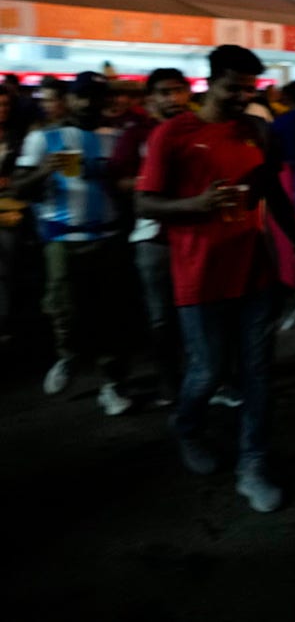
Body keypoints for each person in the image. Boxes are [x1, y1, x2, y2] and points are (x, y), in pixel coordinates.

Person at [136, 45, 295, 513]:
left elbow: (271, 191)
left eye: (248, 89)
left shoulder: (256, 131)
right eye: (232, 87)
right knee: (209, 370)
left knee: (257, 375)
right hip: (198, 276)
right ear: (209, 82)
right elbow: (145, 203)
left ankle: (252, 465)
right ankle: (187, 427)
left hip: (254, 274)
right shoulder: (173, 134)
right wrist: (193, 207)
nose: (240, 96)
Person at [12, 71, 135, 415]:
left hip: (108, 237)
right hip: (63, 239)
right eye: (82, 95)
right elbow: (18, 188)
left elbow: (126, 185)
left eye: (95, 95)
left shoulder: (116, 137)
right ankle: (68, 357)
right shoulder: (46, 138)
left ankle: (112, 383)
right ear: (71, 99)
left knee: (112, 315)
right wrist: (45, 170)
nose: (88, 102)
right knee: (63, 309)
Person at [109, 68, 192, 404]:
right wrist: (156, 182)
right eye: (163, 92)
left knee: (199, 314)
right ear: (152, 97)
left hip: (195, 235)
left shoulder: (200, 128)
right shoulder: (138, 133)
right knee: (161, 319)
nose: (171, 98)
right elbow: (119, 180)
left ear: (188, 92)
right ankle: (170, 386)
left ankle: (207, 380)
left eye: (177, 90)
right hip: (153, 237)